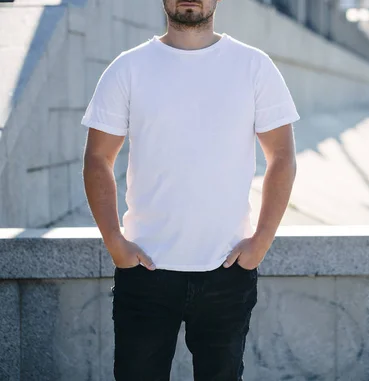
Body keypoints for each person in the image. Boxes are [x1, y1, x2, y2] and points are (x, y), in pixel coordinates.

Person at [81, 0, 299, 379]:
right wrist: (115, 241)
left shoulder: (253, 66)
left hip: (226, 271)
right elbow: (98, 159)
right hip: (146, 270)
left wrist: (260, 242)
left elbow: (281, 156)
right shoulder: (128, 67)